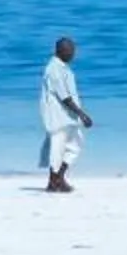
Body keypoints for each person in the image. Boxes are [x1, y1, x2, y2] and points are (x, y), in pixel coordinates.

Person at [39, 36, 93, 193]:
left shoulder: (62, 67)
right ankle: (54, 181)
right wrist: (82, 114)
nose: (73, 54)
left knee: (75, 145)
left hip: (68, 116)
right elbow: (64, 97)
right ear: (60, 51)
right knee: (57, 148)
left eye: (73, 51)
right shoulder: (54, 69)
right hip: (58, 116)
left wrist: (77, 114)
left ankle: (58, 177)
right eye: (70, 51)